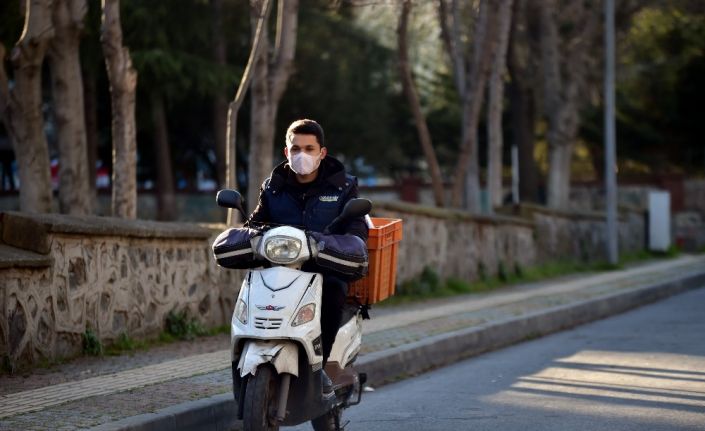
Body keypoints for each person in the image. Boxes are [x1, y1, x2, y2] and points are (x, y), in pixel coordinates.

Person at [246, 119, 368, 395]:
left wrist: (343, 242)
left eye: (309, 148)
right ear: (286, 152)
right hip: (281, 269)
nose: (302, 154)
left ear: (322, 152)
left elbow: (357, 228)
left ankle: (321, 368)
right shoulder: (272, 187)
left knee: (335, 290)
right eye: (296, 148)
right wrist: (247, 235)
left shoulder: (343, 187)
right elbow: (254, 224)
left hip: (326, 267)